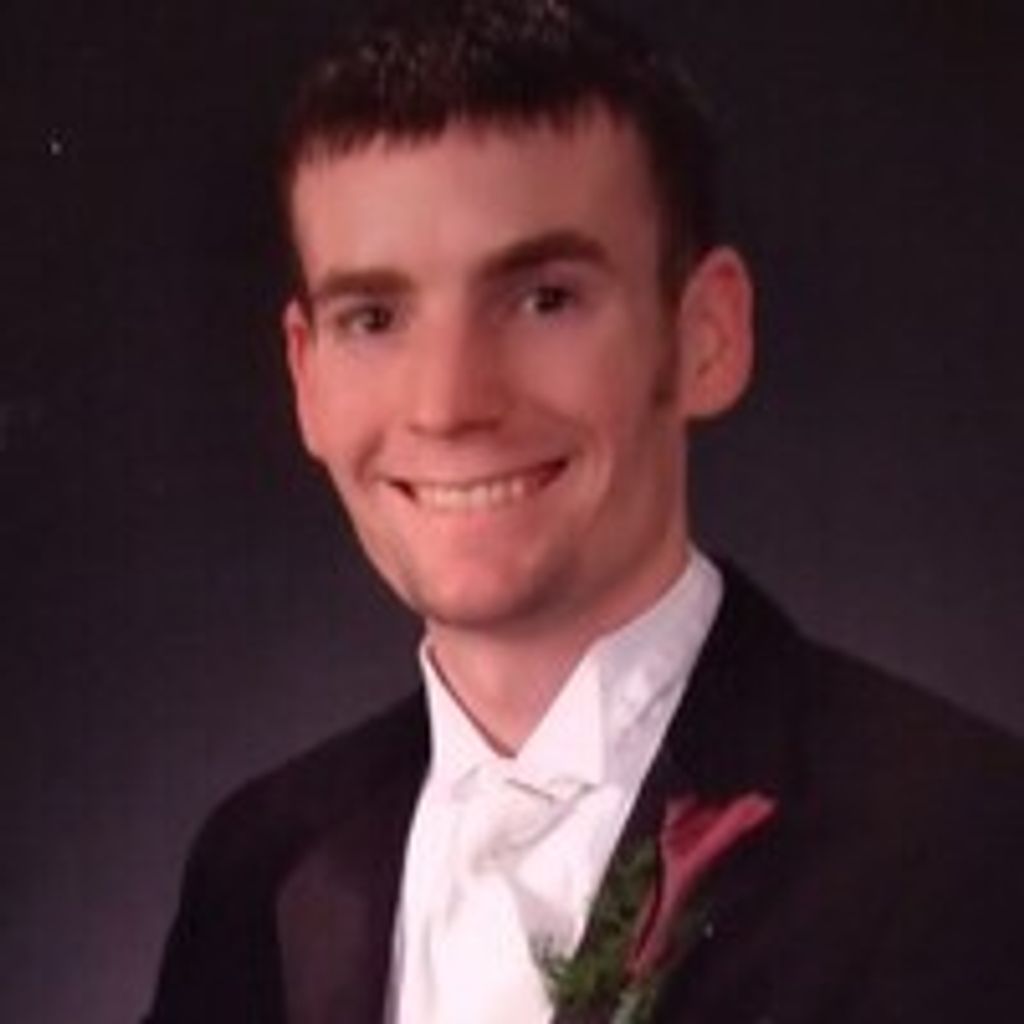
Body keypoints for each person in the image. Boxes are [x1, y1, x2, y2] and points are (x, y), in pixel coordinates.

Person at [145, 2, 1024, 1022]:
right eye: (374, 317)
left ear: (705, 336)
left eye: (544, 299)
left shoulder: (968, 843)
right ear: (306, 377)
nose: (447, 403)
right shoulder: (252, 864)